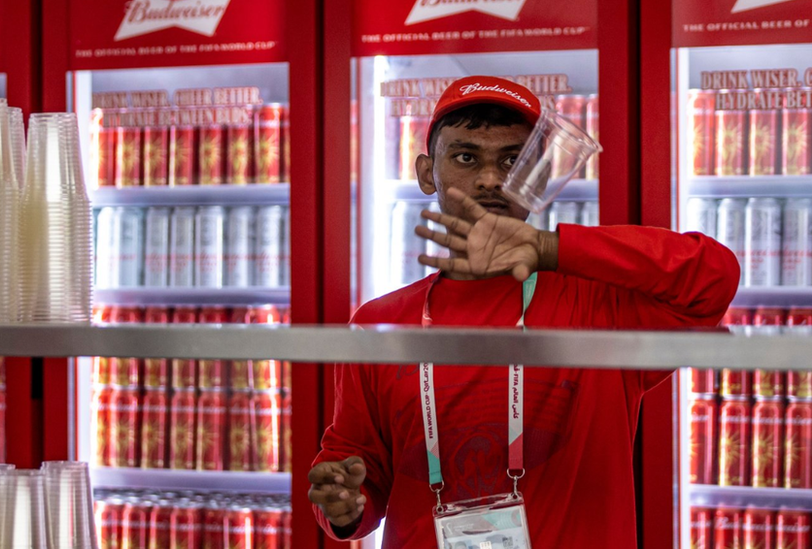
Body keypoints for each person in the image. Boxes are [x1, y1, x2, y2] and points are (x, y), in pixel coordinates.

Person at [307, 76, 739, 548]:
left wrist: (550, 247)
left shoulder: (599, 305)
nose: (492, 179)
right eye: (466, 157)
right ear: (427, 173)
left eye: (514, 161)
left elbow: (712, 277)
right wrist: (346, 506)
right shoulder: (378, 323)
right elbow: (358, 468)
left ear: (541, 177)